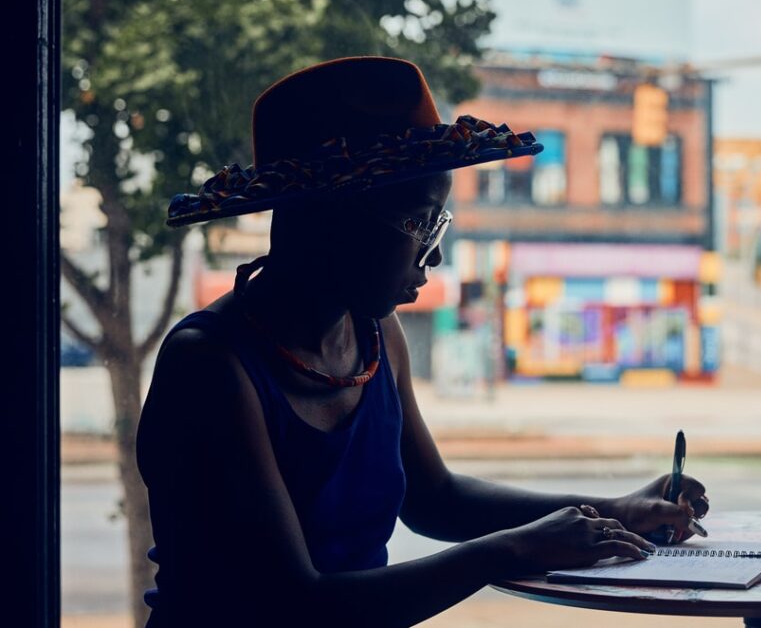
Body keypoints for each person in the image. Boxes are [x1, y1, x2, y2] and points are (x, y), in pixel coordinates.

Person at [137, 56, 709, 628]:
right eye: (420, 221)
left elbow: (435, 498)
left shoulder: (375, 337)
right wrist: (511, 549)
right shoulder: (209, 365)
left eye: (440, 224)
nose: (433, 255)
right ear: (330, 216)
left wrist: (616, 511)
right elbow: (298, 604)